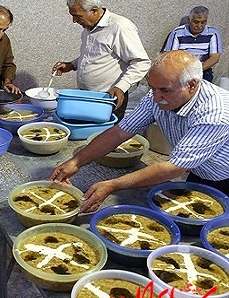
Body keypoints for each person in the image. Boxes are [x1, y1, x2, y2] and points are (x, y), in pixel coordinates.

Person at [50, 50, 229, 213]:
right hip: (200, 170)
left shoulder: (215, 113)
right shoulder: (157, 96)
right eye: (153, 88)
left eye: (164, 90)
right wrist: (76, 161)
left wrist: (112, 185)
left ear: (191, 85)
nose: (156, 97)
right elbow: (119, 132)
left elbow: (173, 168)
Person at [53, 0, 151, 122]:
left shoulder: (119, 27)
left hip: (108, 98)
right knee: (88, 133)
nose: (74, 21)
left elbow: (141, 62)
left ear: (94, 10)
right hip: (87, 96)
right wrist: (71, 65)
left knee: (107, 137)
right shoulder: (88, 28)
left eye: (77, 16)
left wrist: (121, 86)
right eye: (72, 15)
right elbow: (93, 56)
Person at [162, 6, 223, 83]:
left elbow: (215, 57)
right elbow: (170, 55)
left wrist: (198, 69)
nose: (199, 26)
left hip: (203, 70)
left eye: (203, 22)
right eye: (196, 22)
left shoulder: (213, 33)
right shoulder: (177, 33)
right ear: (189, 20)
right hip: (181, 70)